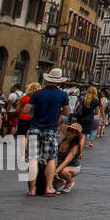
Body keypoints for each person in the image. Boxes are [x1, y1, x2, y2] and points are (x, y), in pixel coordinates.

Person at [30, 68, 71, 197]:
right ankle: (48, 187)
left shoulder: (37, 94)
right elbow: (67, 112)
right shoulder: (62, 95)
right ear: (58, 81)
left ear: (47, 79)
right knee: (51, 158)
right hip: (50, 129)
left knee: (33, 158)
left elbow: (25, 110)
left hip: (35, 127)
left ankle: (31, 189)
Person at [52, 123, 84, 194]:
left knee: (63, 172)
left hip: (73, 167)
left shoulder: (75, 146)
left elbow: (66, 161)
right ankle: (58, 181)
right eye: (69, 130)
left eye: (72, 131)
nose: (69, 132)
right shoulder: (60, 142)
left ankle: (70, 182)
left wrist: (56, 172)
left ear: (76, 135)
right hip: (60, 165)